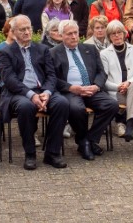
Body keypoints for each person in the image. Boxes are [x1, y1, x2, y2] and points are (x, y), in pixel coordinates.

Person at [0, 15, 69, 170]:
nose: (27, 32)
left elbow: (51, 75)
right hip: (19, 93)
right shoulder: (5, 52)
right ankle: (30, 154)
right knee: (26, 107)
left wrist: (47, 92)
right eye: (23, 29)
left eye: (29, 28)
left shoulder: (42, 49)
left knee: (62, 103)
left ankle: (52, 153)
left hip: (43, 90)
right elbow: (10, 80)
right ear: (14, 32)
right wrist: (32, 95)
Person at [50, 20, 118, 161]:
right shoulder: (53, 53)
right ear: (61, 35)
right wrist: (71, 88)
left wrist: (96, 86)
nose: (74, 36)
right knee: (75, 108)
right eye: (70, 34)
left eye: (76, 33)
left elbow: (101, 72)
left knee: (111, 105)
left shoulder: (90, 49)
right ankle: (84, 141)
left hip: (91, 89)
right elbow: (52, 78)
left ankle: (88, 140)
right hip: (71, 91)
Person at [100, 20, 133, 154]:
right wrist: (119, 87)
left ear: (124, 34)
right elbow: (104, 80)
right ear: (109, 37)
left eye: (119, 33)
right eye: (113, 34)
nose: (117, 36)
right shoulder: (104, 54)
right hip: (117, 94)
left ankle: (130, 122)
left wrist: (128, 83)